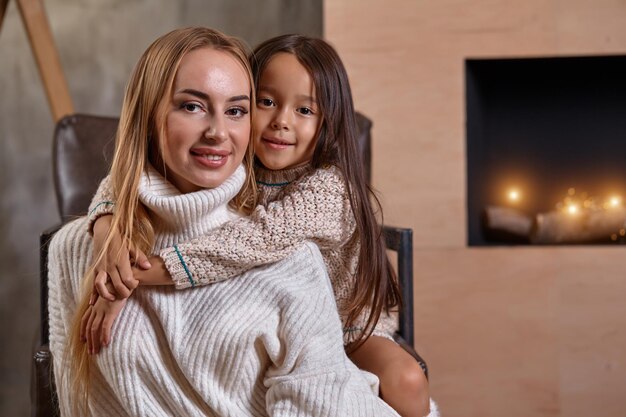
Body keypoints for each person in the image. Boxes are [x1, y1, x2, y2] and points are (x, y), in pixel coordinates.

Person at [47, 26, 404, 417]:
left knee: (407, 381)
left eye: (235, 110)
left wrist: (128, 278)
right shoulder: (73, 249)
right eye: (192, 106)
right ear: (146, 115)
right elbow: (75, 396)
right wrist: (106, 229)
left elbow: (257, 239)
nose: (218, 133)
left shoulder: (294, 248)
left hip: (351, 325)